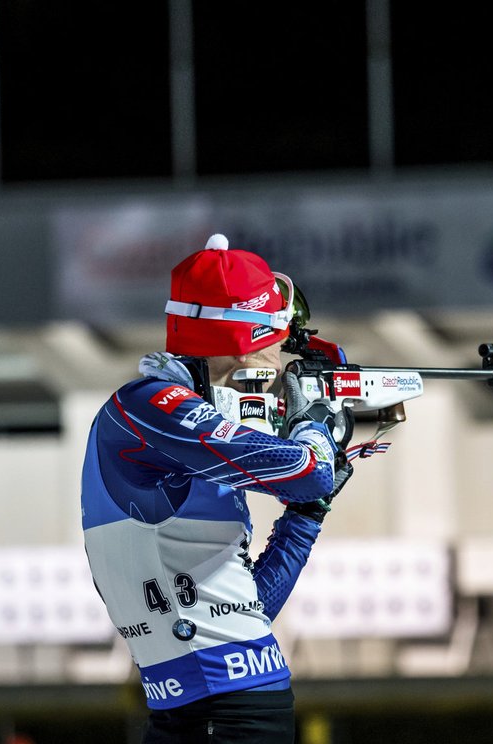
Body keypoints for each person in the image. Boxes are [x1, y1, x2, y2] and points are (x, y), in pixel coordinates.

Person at [81, 234, 351, 743]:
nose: (283, 354)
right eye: (278, 333)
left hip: (229, 708)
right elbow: (309, 469)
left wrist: (307, 516)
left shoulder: (185, 432)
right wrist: (315, 421)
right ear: (247, 339)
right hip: (201, 712)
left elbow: (248, 616)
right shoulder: (146, 405)